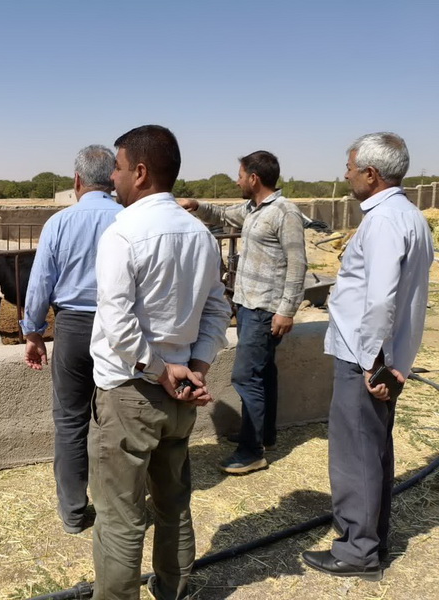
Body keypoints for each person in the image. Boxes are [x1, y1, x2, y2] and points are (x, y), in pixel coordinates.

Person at [88, 125, 231, 600]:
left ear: (140, 172)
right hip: (181, 392)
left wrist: (158, 369)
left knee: (120, 516)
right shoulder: (200, 234)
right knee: (173, 502)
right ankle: (174, 587)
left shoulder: (123, 233)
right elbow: (217, 308)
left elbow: (117, 321)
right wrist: (197, 366)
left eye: (118, 167)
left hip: (131, 393)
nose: (113, 176)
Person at [302, 132, 433, 581]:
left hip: (366, 358)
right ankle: (373, 536)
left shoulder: (383, 222)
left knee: (355, 452)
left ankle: (357, 550)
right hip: (386, 357)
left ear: (372, 174)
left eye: (351, 168)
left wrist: (373, 365)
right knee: (373, 449)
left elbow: (380, 301)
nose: (346, 175)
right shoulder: (410, 216)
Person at [178, 151, 307, 474]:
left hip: (266, 308)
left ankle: (251, 452)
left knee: (246, 377)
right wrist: (196, 205)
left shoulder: (284, 212)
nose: (236, 182)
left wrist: (287, 310)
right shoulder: (252, 209)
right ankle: (265, 435)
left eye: (239, 176)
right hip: (249, 305)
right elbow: (223, 215)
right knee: (264, 373)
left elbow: (297, 264)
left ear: (254, 178)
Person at [20, 144, 122, 534]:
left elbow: (40, 283)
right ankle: (117, 507)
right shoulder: (128, 218)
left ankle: (74, 512)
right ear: (113, 178)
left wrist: (33, 331)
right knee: (118, 419)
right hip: (121, 329)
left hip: (74, 329)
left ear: (77, 180)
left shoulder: (59, 223)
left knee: (70, 421)